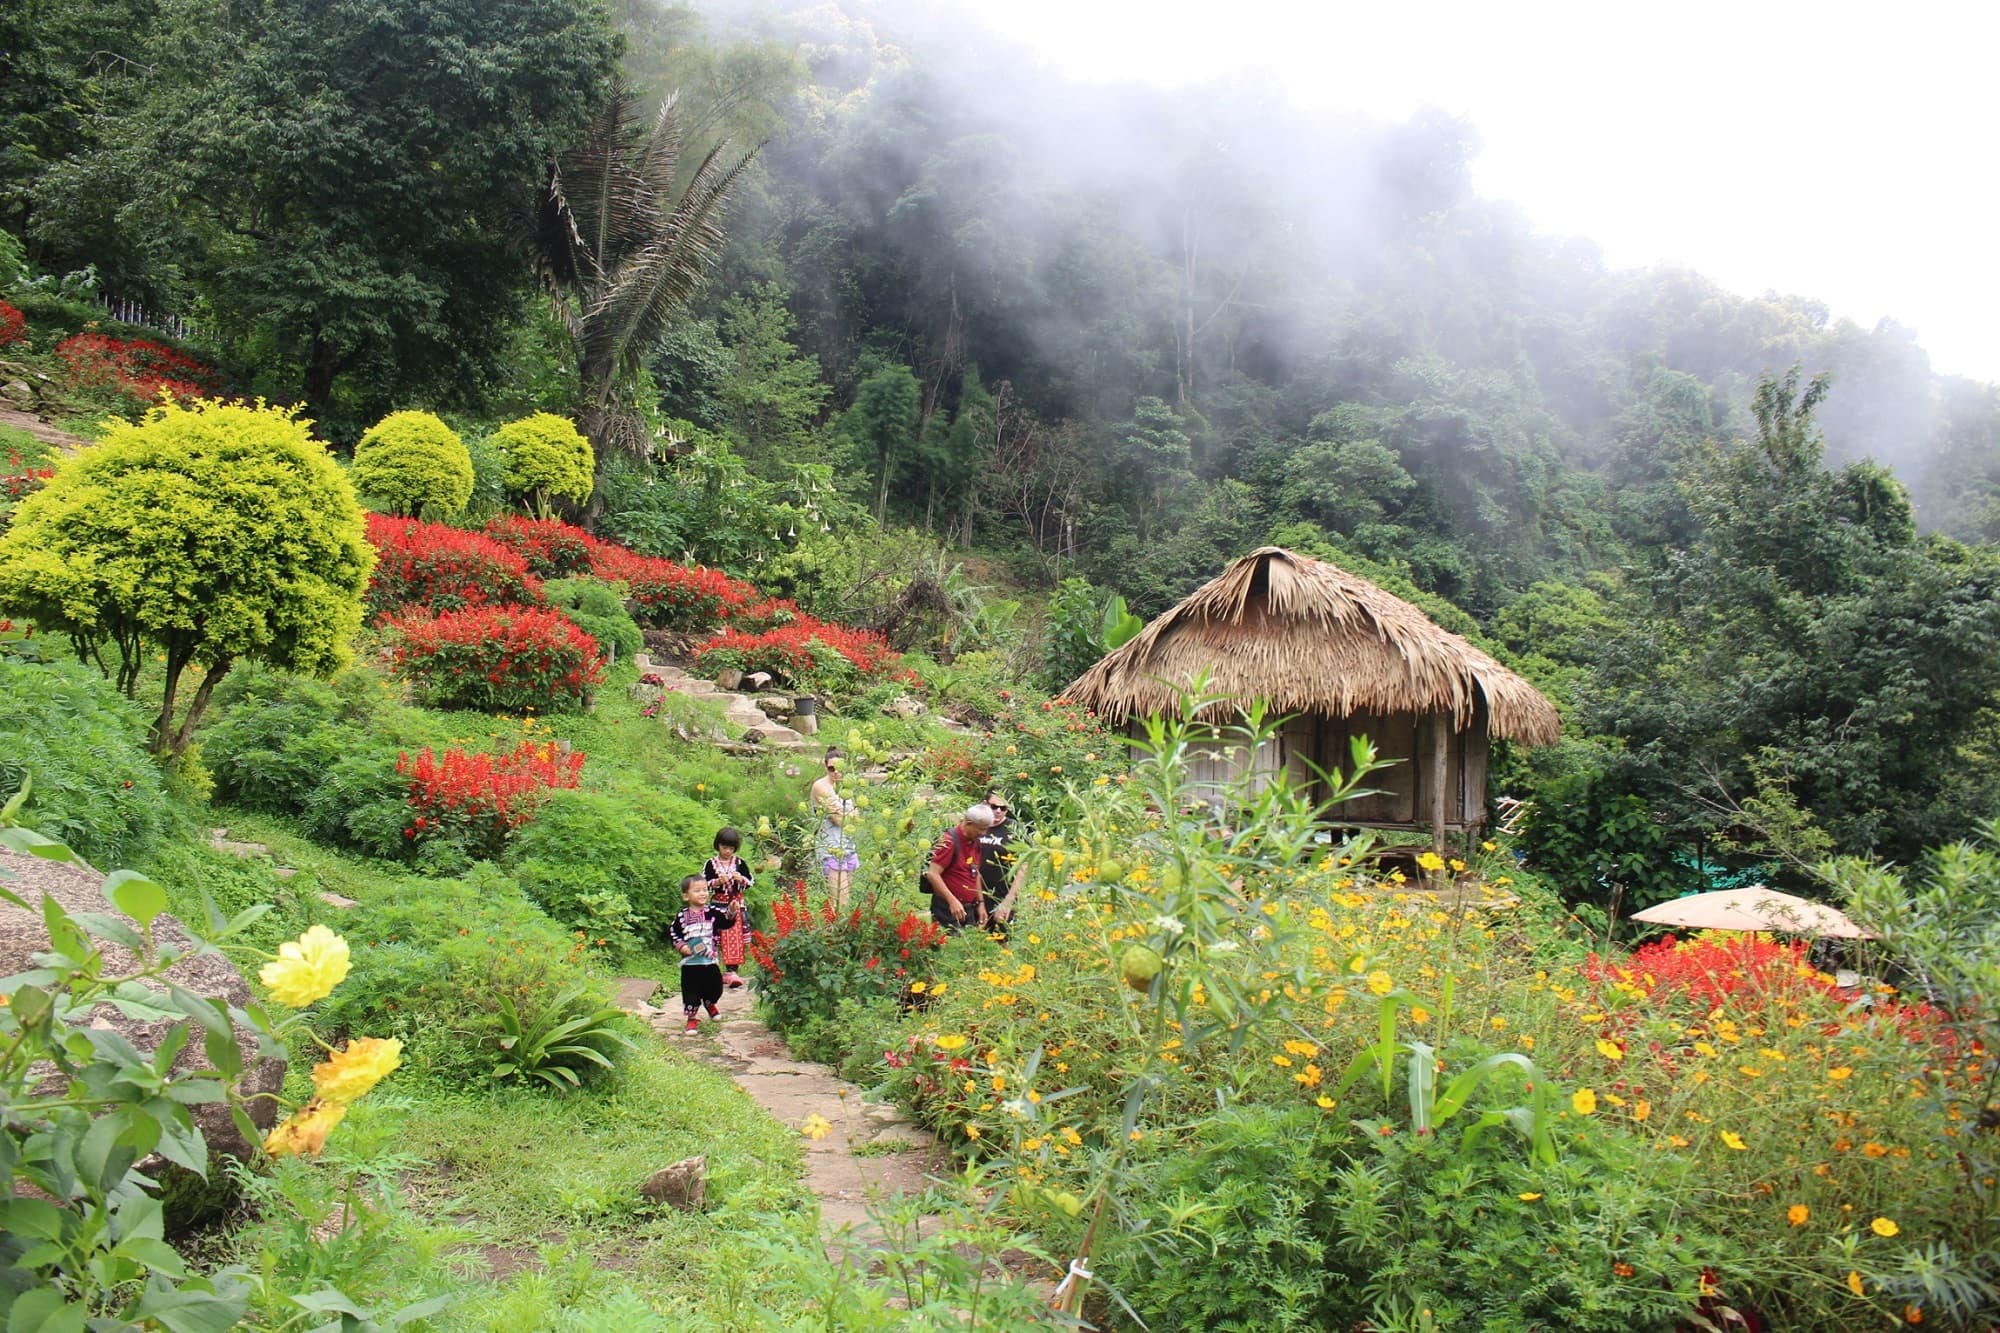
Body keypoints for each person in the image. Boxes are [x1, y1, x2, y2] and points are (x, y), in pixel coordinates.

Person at [667, 874, 736, 1034]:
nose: (703, 893)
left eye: (705, 890)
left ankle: (710, 1003)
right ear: (686, 896)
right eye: (697, 890)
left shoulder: (712, 912)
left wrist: (732, 911)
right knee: (691, 992)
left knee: (715, 988)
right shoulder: (682, 917)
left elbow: (726, 922)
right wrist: (681, 945)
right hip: (691, 964)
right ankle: (692, 1020)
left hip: (710, 961)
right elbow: (673, 932)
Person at [925, 804, 994, 932]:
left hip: (968, 909)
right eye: (981, 829)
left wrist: (981, 903)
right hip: (947, 908)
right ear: (968, 823)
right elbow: (932, 874)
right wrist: (952, 901)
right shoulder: (948, 841)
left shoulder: (975, 841)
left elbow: (975, 873)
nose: (984, 833)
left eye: (986, 829)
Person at [702, 827, 753, 989]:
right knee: (715, 937)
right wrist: (717, 882)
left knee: (734, 936)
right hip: (718, 904)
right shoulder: (711, 864)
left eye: (731, 848)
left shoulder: (740, 863)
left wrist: (741, 879)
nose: (727, 851)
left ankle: (732, 971)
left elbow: (750, 881)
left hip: (735, 904)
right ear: (718, 845)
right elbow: (704, 883)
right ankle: (713, 971)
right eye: (724, 847)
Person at [810, 747, 858, 908]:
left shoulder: (847, 787)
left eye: (839, 768)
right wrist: (849, 814)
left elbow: (858, 818)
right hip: (831, 848)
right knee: (839, 902)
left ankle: (836, 932)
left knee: (846, 902)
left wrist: (848, 815)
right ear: (825, 767)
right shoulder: (821, 786)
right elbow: (839, 820)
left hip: (848, 847)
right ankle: (829, 932)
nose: (836, 772)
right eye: (831, 768)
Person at [976, 789, 1028, 938]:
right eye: (994, 807)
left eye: (1003, 808)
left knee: (1001, 944)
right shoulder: (975, 826)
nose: (998, 811)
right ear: (984, 804)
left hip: (1002, 896)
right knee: (973, 943)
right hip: (973, 895)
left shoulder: (1014, 829)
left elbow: (1024, 865)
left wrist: (1009, 900)